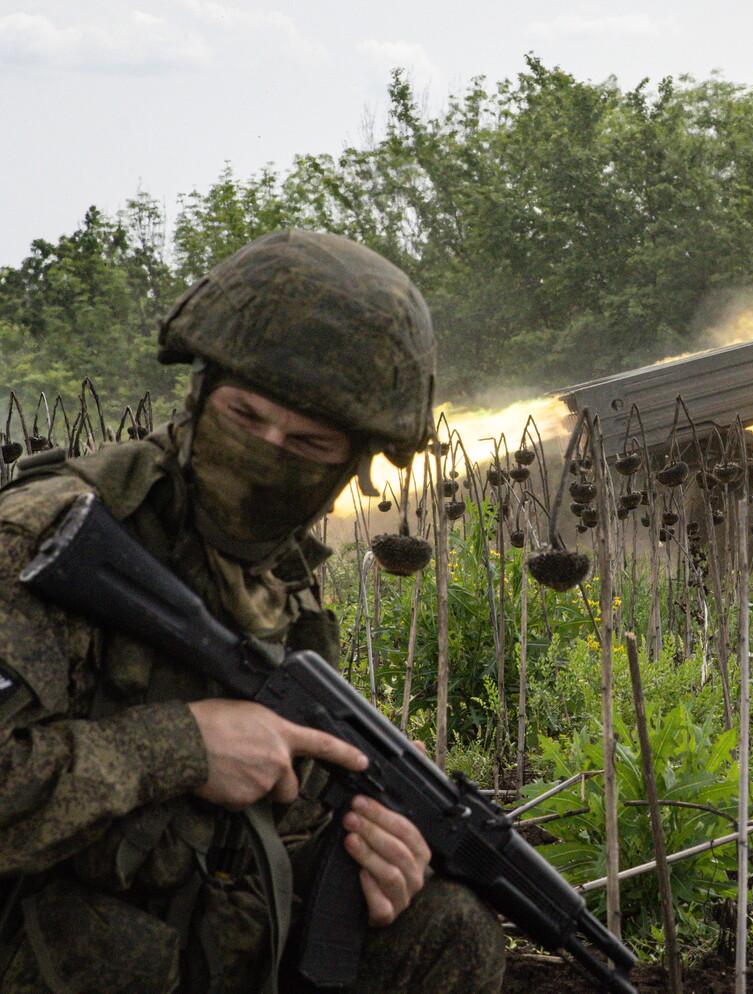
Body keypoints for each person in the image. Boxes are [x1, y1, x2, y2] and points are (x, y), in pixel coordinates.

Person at [0, 231, 508, 993]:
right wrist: (184, 745)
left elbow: (260, 824)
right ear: (200, 394)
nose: (267, 450)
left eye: (307, 443)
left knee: (447, 930)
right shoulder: (48, 538)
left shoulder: (281, 582)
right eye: (245, 416)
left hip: (183, 944)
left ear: (349, 465)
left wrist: (367, 849)